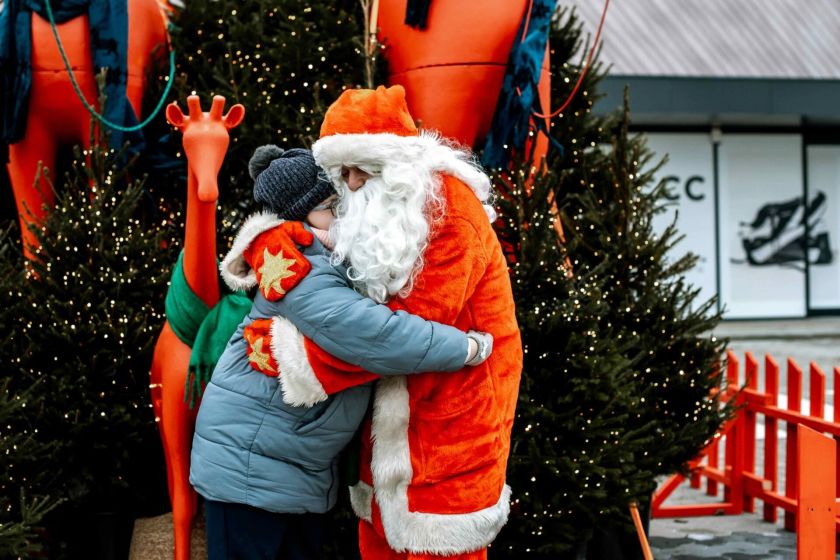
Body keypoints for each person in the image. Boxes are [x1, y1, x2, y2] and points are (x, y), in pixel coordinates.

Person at [189, 146, 494, 560]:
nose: (344, 215)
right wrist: (467, 346)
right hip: (251, 469)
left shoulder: (332, 259)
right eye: (331, 207)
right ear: (300, 216)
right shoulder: (296, 265)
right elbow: (373, 335)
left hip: (286, 469)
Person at [262, 85, 523, 559]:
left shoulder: (450, 211)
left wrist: (303, 359)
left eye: (365, 167)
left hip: (452, 428)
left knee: (436, 545)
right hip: (393, 431)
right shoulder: (385, 213)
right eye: (343, 172)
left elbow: (403, 334)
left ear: (400, 163)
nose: (354, 182)